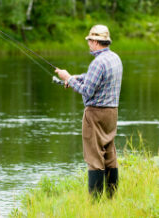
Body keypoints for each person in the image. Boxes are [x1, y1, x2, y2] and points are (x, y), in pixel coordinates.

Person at [55, 25, 123, 198]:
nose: (88, 44)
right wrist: (77, 78)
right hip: (112, 114)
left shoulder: (97, 63)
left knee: (94, 158)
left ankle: (95, 201)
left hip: (95, 115)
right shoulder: (115, 58)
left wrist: (68, 78)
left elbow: (87, 91)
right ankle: (112, 196)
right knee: (109, 154)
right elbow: (95, 79)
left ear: (95, 42)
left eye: (89, 41)